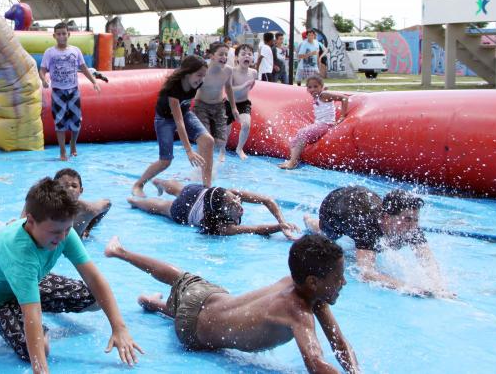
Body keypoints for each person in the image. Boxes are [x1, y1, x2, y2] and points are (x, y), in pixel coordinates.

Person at [104, 235, 360, 373]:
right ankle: (131, 269)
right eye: (338, 278)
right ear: (314, 282)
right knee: (184, 293)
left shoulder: (298, 285)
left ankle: (126, 261)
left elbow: (338, 342)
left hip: (210, 298)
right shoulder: (298, 311)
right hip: (192, 334)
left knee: (180, 277)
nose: (344, 283)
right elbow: (315, 363)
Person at [0, 178, 142, 371]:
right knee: (40, 348)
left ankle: (37, 302)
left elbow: (94, 278)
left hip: (32, 283)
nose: (62, 238)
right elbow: (32, 313)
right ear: (30, 220)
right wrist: (41, 369)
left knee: (96, 300)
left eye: (67, 229)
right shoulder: (19, 254)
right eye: (55, 232)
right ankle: (33, 315)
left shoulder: (63, 232)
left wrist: (119, 328)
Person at [304, 187, 452, 297]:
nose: (412, 226)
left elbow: (426, 258)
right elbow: (367, 273)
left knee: (378, 244)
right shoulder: (366, 226)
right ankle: (309, 221)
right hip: (335, 205)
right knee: (328, 236)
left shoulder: (410, 227)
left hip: (364, 199)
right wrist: (408, 287)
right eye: (407, 219)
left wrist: (438, 286)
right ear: (386, 217)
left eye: (415, 220)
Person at [131, 55, 212, 196]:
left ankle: (206, 188)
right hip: (165, 119)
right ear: (187, 73)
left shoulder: (197, 83)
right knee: (165, 161)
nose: (201, 79)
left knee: (208, 141)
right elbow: (178, 122)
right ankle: (138, 185)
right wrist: (189, 151)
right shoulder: (173, 89)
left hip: (185, 112)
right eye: (199, 75)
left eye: (204, 76)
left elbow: (184, 114)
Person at [127, 179, 299, 239]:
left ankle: (159, 182)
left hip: (198, 192)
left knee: (180, 188)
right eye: (232, 206)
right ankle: (135, 202)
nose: (238, 205)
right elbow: (256, 229)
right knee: (162, 207)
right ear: (220, 213)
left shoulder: (229, 194)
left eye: (236, 200)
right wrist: (279, 227)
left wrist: (281, 222)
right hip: (185, 209)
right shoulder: (222, 227)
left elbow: (267, 199)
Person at [39, 22, 101, 161]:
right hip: (58, 92)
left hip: (73, 91)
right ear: (54, 36)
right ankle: (62, 151)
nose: (62, 36)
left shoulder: (75, 51)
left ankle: (73, 143)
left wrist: (94, 81)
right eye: (59, 34)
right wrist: (43, 79)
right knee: (59, 121)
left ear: (69, 34)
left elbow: (84, 68)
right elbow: (42, 70)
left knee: (76, 121)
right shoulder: (50, 52)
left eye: (64, 33)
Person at [279, 74, 348, 170]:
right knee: (294, 140)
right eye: (310, 87)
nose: (312, 89)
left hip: (326, 124)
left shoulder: (323, 95)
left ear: (321, 87)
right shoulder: (317, 95)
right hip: (318, 124)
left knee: (303, 133)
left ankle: (292, 163)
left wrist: (342, 116)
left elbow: (344, 98)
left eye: (315, 86)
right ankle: (293, 159)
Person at [20, 168, 112, 240]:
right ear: (54, 188)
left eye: (74, 186)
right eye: (64, 185)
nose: (70, 189)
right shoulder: (40, 203)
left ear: (81, 191)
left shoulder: (87, 209)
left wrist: (88, 228)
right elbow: (22, 226)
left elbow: (108, 204)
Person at [192, 42, 238, 166]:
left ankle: (207, 159)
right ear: (212, 56)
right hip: (201, 105)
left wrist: (233, 107)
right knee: (205, 139)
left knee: (220, 142)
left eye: (226, 54)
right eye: (220, 54)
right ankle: (201, 164)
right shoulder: (202, 69)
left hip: (218, 106)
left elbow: (228, 88)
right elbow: (192, 85)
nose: (224, 57)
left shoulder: (228, 70)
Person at [226, 44, 258, 160]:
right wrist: (244, 86)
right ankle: (221, 150)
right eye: (243, 54)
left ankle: (239, 149)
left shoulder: (253, 73)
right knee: (226, 130)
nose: (247, 56)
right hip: (230, 103)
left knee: (246, 124)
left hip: (244, 102)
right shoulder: (231, 72)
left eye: (249, 54)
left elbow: (250, 87)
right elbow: (229, 90)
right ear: (236, 58)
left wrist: (248, 87)